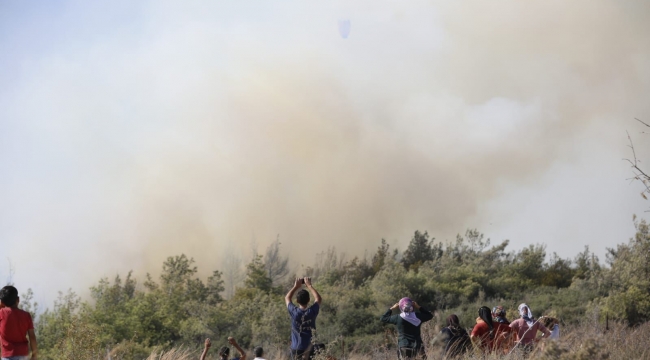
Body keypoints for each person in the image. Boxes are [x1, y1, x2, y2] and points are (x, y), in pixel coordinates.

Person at [285, 277, 322, 360]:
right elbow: (318, 299)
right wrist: (309, 286)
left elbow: (287, 298)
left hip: (296, 348)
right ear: (309, 300)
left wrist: (296, 286)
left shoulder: (294, 312)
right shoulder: (312, 312)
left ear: (297, 301)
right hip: (309, 348)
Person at [0, 285, 38, 360]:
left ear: (2, 302)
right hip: (22, 355)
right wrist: (34, 355)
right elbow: (32, 337)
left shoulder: (1, 313)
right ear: (18, 299)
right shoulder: (26, 315)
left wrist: (1, 305)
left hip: (7, 355)